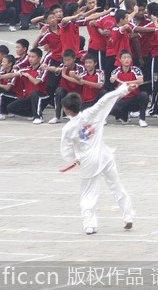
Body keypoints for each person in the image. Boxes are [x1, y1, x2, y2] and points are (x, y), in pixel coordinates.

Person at [60, 82, 136, 235]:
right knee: (117, 186)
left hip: (89, 160)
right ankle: (128, 216)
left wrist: (75, 159)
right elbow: (105, 100)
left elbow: (66, 150)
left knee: (89, 193)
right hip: (105, 156)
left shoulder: (68, 128)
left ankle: (89, 224)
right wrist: (124, 89)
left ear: (66, 110)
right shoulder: (90, 113)